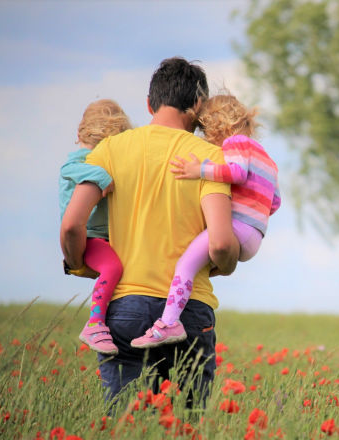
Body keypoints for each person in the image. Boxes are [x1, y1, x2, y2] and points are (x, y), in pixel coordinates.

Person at [60, 57, 239, 404]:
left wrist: (79, 262)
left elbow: (71, 224)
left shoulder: (108, 150)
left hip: (124, 306)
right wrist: (226, 264)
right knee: (186, 424)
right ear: (198, 105)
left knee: (125, 422)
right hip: (189, 311)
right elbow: (219, 243)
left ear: (149, 103)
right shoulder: (210, 158)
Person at [131, 92, 281, 348]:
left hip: (238, 227)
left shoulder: (236, 143)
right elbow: (275, 202)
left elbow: (236, 173)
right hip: (255, 235)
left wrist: (198, 170)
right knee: (199, 263)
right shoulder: (267, 158)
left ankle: (168, 323)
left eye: (204, 130)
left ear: (217, 125)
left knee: (185, 264)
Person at [59, 99, 131, 355]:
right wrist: (102, 176)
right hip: (89, 236)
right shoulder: (80, 161)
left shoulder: (94, 157)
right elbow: (71, 168)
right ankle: (95, 323)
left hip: (103, 236)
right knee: (112, 267)